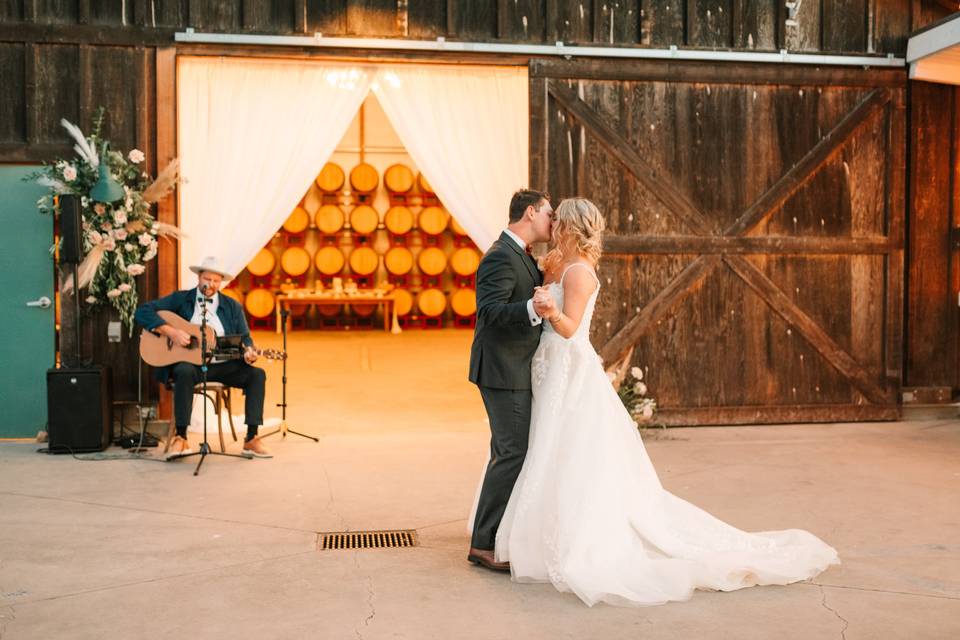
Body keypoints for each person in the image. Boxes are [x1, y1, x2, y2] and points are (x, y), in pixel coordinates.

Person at [492, 198, 839, 606]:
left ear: (569, 226)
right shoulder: (552, 260)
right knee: (543, 445)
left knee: (568, 450)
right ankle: (533, 530)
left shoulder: (581, 273)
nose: (551, 224)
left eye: (557, 220)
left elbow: (570, 330)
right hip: (545, 368)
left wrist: (549, 311)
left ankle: (570, 536)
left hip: (568, 366)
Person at [466, 189, 555, 572]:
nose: (553, 221)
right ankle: (483, 544)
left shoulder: (521, 254)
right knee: (511, 452)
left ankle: (496, 530)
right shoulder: (501, 256)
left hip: (517, 366)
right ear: (531, 212)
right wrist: (530, 308)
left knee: (508, 450)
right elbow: (488, 313)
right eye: (549, 213)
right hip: (504, 370)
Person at [134, 256, 272, 460]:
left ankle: (251, 438)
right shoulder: (181, 299)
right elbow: (142, 311)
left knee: (257, 375)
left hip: (223, 365)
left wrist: (250, 353)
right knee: (183, 371)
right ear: (199, 277)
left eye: (216, 281)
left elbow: (246, 339)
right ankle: (181, 437)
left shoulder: (232, 306)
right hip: (192, 366)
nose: (211, 284)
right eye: (207, 279)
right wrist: (171, 332)